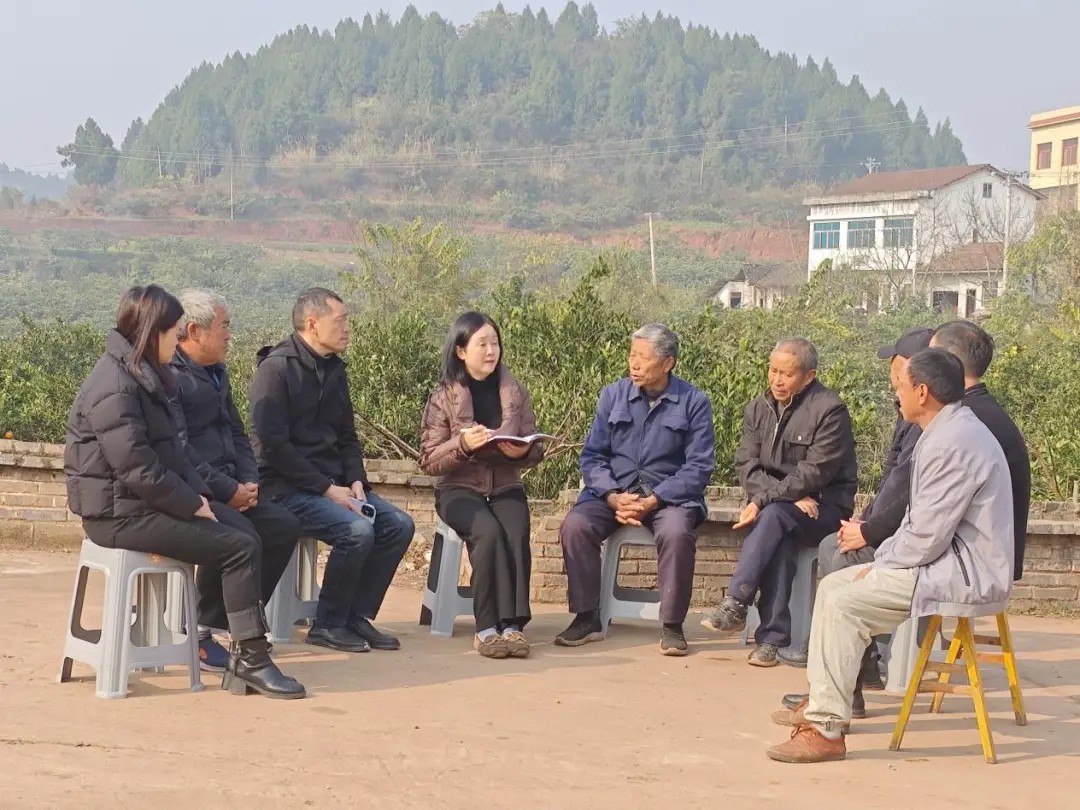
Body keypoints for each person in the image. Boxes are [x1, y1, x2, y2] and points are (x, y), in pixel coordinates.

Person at [766, 348, 1014, 763]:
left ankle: (826, 730)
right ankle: (825, 705)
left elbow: (926, 536)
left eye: (900, 386)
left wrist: (881, 564)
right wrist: (881, 562)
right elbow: (921, 526)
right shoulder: (946, 430)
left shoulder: (953, 442)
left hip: (964, 572)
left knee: (843, 599)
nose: (896, 394)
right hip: (944, 560)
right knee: (836, 586)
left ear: (923, 392)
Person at [64, 285, 304, 699]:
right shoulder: (114, 386)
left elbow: (173, 453)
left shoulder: (144, 374)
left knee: (247, 531)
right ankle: (251, 658)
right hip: (117, 516)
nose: (177, 342)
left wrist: (203, 497)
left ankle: (239, 650)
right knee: (237, 547)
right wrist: (191, 503)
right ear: (151, 331)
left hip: (144, 503)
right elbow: (138, 468)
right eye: (173, 333)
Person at [249, 287, 415, 654]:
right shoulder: (276, 370)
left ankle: (356, 616)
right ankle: (328, 624)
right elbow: (273, 448)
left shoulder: (334, 370)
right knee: (357, 530)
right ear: (312, 324)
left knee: (399, 525)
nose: (347, 328)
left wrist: (355, 479)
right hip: (286, 489)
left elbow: (346, 435)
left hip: (334, 486)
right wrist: (326, 488)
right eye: (339, 321)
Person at [778, 327, 933, 714]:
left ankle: (846, 683)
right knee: (829, 543)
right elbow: (892, 484)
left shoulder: (931, 425)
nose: (890, 371)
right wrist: (864, 524)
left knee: (840, 555)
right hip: (897, 532)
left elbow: (909, 498)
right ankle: (853, 672)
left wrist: (868, 532)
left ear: (910, 369)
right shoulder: (912, 415)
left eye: (894, 363)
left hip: (921, 552)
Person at [555, 323, 715, 657]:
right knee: (576, 525)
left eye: (643, 357)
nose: (635, 364)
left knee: (676, 533)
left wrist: (655, 499)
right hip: (614, 494)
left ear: (668, 363)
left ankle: (672, 625)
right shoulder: (613, 396)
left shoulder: (694, 402)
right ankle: (587, 617)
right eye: (632, 355)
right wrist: (612, 495)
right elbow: (592, 456)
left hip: (667, 499)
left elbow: (699, 466)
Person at [702, 338, 858, 667]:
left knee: (773, 516)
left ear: (809, 376)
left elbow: (814, 472)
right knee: (778, 529)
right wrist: (781, 496)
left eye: (786, 374)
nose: (777, 380)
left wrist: (766, 499)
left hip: (825, 508)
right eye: (773, 371)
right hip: (783, 508)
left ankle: (737, 602)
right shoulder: (758, 408)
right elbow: (746, 466)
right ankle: (771, 641)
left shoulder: (829, 410)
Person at [170, 289, 301, 672]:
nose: (230, 335)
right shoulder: (171, 378)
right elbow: (180, 451)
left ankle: (230, 622)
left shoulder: (216, 373)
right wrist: (227, 492)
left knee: (282, 525)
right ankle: (199, 631)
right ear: (195, 331)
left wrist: (248, 481)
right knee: (237, 535)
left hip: (230, 486)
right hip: (194, 492)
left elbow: (238, 433)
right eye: (224, 326)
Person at [419, 312, 544, 659]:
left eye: (495, 343)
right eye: (482, 344)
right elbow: (428, 459)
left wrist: (522, 451)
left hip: (505, 485)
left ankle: (513, 626)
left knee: (515, 532)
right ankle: (487, 628)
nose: (491, 351)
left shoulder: (514, 392)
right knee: (487, 532)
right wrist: (463, 445)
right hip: (459, 489)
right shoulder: (443, 397)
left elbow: (534, 446)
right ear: (461, 351)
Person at [930, 320, 1030, 580]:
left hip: (973, 566)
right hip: (989, 558)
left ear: (948, 363)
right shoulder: (984, 412)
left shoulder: (966, 421)